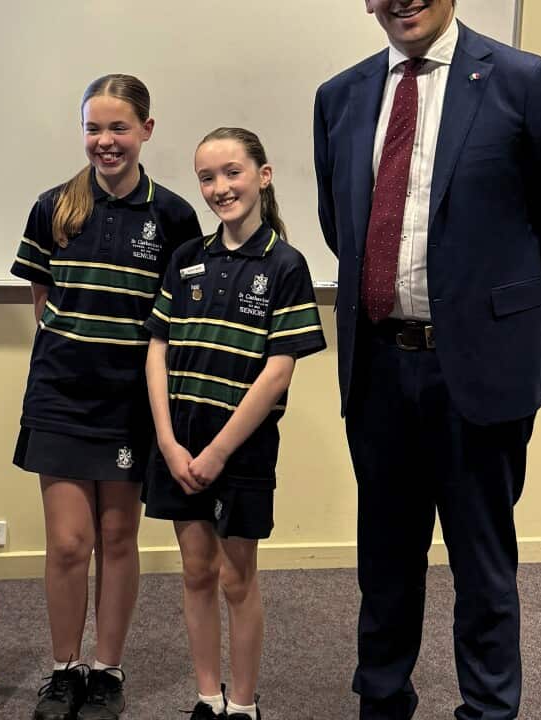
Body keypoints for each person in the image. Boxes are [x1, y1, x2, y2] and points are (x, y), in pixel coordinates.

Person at [313, 2, 541, 718]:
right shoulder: (340, 96)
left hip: (478, 370)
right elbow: (340, 225)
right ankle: (383, 702)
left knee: (482, 566)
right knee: (385, 563)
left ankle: (488, 710)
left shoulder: (526, 82)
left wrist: (502, 316)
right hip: (379, 368)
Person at [10, 74, 201, 720]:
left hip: (130, 405)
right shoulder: (52, 207)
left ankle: (107, 671)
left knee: (118, 537)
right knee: (69, 543)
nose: (106, 140)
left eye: (119, 127)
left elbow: (175, 318)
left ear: (146, 129)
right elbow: (44, 302)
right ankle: (64, 670)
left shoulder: (173, 216)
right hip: (60, 399)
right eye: (93, 128)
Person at [144, 128, 325, 720]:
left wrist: (218, 452)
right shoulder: (185, 259)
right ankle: (208, 696)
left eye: (232, 172)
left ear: (263, 176)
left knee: (235, 578)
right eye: (207, 177)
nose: (220, 187)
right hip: (180, 446)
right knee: (196, 571)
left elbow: (277, 372)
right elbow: (157, 349)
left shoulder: (286, 264)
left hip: (240, 451)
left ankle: (243, 704)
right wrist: (168, 441)